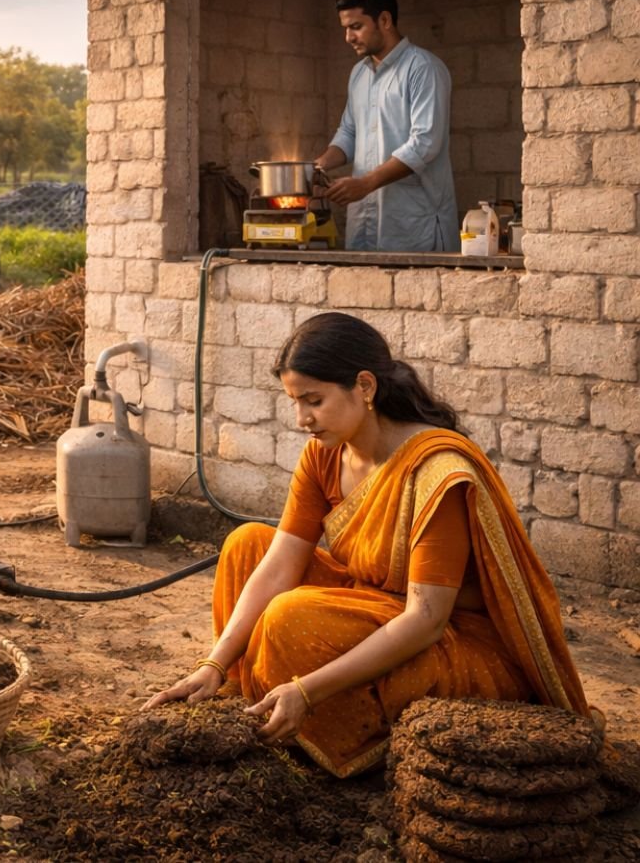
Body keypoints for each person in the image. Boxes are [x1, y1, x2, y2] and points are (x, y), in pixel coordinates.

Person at [143, 312, 589, 777]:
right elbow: (278, 565)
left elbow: (426, 619)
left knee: (288, 618)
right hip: (373, 607)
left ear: (365, 386)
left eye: (314, 401)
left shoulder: (436, 472)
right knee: (247, 544)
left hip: (451, 645)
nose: (302, 419)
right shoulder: (324, 454)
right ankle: (264, 698)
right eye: (295, 402)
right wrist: (214, 664)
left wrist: (309, 690)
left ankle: (332, 727)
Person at [313, 0, 460, 253]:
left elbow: (425, 144)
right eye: (345, 28)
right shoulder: (358, 74)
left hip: (414, 226)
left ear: (384, 20)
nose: (348, 37)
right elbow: (349, 133)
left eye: (356, 26)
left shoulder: (423, 68)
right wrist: (315, 169)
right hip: (364, 223)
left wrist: (365, 184)